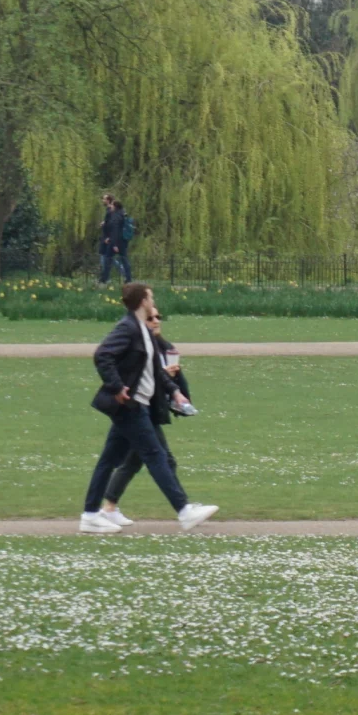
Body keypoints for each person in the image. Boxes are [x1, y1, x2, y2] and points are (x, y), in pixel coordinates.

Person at [79, 282, 216, 534]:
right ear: (143, 301)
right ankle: (184, 511)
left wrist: (175, 392)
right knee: (155, 456)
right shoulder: (128, 328)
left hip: (137, 406)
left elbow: (153, 370)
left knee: (109, 460)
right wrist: (117, 387)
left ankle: (90, 515)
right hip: (131, 405)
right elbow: (102, 355)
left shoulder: (142, 330)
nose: (153, 302)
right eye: (151, 298)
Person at [99, 310, 196, 527]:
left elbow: (172, 380)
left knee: (132, 460)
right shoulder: (139, 348)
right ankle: (184, 508)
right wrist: (165, 378)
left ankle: (108, 507)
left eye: (159, 317)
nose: (156, 321)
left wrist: (176, 381)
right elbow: (139, 377)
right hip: (137, 409)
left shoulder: (165, 347)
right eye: (150, 318)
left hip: (149, 411)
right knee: (162, 459)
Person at [97, 195, 131, 286]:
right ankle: (128, 279)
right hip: (121, 241)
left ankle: (104, 280)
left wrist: (114, 244)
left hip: (116, 242)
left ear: (115, 207)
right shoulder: (121, 214)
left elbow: (115, 231)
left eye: (111, 205)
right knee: (123, 259)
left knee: (108, 259)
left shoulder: (116, 217)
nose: (110, 206)